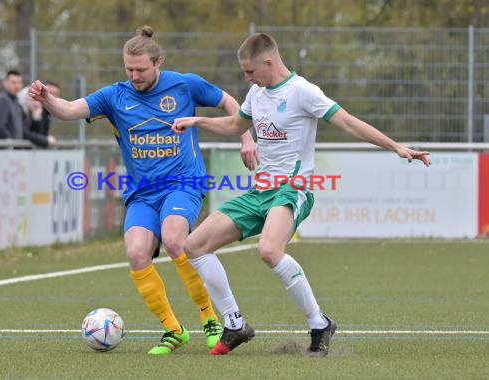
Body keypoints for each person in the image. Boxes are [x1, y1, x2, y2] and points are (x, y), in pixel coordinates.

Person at [172, 33, 431, 356]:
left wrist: (396, 147)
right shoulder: (256, 92)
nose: (246, 78)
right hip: (260, 190)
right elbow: (236, 125)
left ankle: (319, 323)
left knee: (269, 249)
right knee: (194, 245)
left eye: (249, 71)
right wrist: (199, 121)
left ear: (269, 62)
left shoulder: (303, 92)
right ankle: (235, 324)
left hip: (293, 188)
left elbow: (348, 123)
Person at [29, 26, 258, 355]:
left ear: (158, 62)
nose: (134, 75)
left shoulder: (184, 84)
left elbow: (229, 102)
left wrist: (246, 139)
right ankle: (173, 330)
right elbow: (67, 110)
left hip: (184, 182)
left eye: (141, 69)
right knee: (136, 252)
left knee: (175, 238)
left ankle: (210, 319)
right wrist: (47, 99)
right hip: (142, 192)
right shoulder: (114, 96)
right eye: (129, 69)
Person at [0, 70, 55, 148]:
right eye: (13, 82)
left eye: (20, 82)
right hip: (3, 151)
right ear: (4, 83)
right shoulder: (2, 99)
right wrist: (12, 144)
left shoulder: (15, 102)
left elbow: (24, 130)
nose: (17, 86)